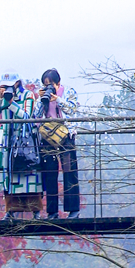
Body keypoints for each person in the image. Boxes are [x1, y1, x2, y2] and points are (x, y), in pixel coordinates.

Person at [0, 71, 43, 218]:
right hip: (7, 139)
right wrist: (0, 97)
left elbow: (26, 116)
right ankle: (10, 210)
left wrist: (11, 103)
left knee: (29, 173)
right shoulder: (2, 96)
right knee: (8, 175)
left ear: (17, 83)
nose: (7, 88)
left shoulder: (27, 95)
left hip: (25, 138)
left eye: (9, 85)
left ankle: (35, 210)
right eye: (4, 85)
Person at [36, 69, 81, 219]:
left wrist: (58, 100)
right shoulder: (43, 96)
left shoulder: (69, 92)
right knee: (50, 173)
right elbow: (36, 116)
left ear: (58, 83)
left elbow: (73, 110)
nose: (49, 88)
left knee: (69, 171)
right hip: (48, 137)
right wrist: (40, 99)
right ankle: (52, 211)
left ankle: (73, 209)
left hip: (66, 136)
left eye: (51, 85)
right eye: (45, 85)